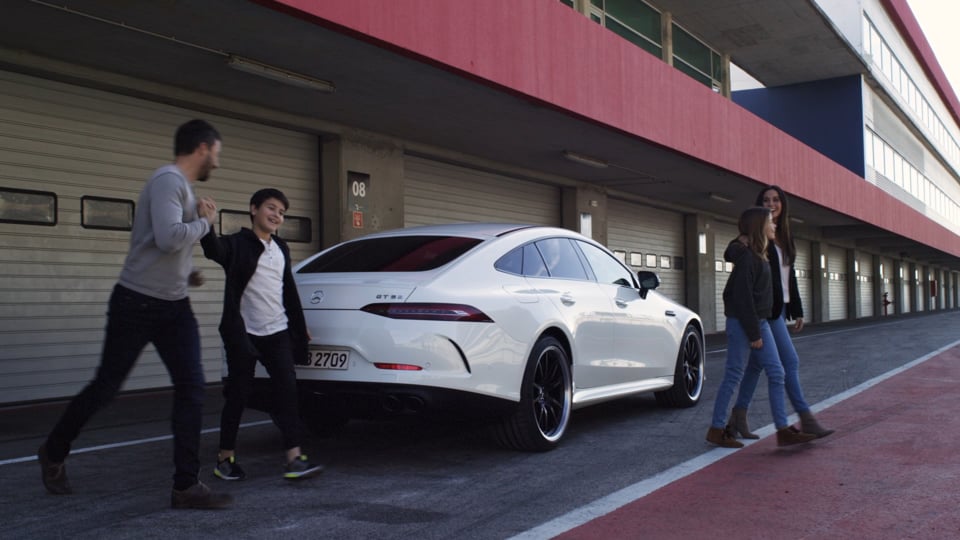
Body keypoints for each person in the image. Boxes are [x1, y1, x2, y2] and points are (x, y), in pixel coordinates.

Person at [38, 119, 233, 509]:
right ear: (202, 148)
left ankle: (185, 486)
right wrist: (205, 222)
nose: (218, 162)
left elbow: (166, 247)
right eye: (217, 153)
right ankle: (53, 450)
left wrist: (185, 273)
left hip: (174, 306)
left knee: (192, 388)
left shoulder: (183, 187)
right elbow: (168, 236)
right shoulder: (168, 180)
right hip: (136, 303)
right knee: (107, 387)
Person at [201, 188, 323, 481]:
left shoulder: (281, 248)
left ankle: (294, 458)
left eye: (281, 212)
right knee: (238, 395)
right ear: (254, 209)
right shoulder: (238, 244)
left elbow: (288, 290)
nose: (276, 215)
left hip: (277, 331)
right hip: (243, 332)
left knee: (287, 392)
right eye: (271, 208)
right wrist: (207, 225)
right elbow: (213, 251)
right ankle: (225, 459)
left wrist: (298, 325)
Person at [725, 185, 834, 439]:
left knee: (755, 367)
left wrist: (796, 309)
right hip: (766, 312)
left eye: (776, 200)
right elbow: (730, 252)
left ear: (783, 204)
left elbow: (789, 276)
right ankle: (804, 419)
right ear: (759, 204)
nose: (771, 204)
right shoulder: (755, 234)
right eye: (766, 200)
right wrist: (741, 241)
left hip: (780, 308)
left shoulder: (784, 236)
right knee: (789, 363)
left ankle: (737, 417)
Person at [706, 207, 817, 448]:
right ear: (760, 226)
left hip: (762, 321)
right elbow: (742, 297)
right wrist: (754, 333)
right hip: (745, 323)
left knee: (777, 372)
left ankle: (783, 430)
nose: (774, 225)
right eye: (770, 222)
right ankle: (716, 429)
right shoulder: (748, 257)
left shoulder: (761, 253)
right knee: (734, 373)